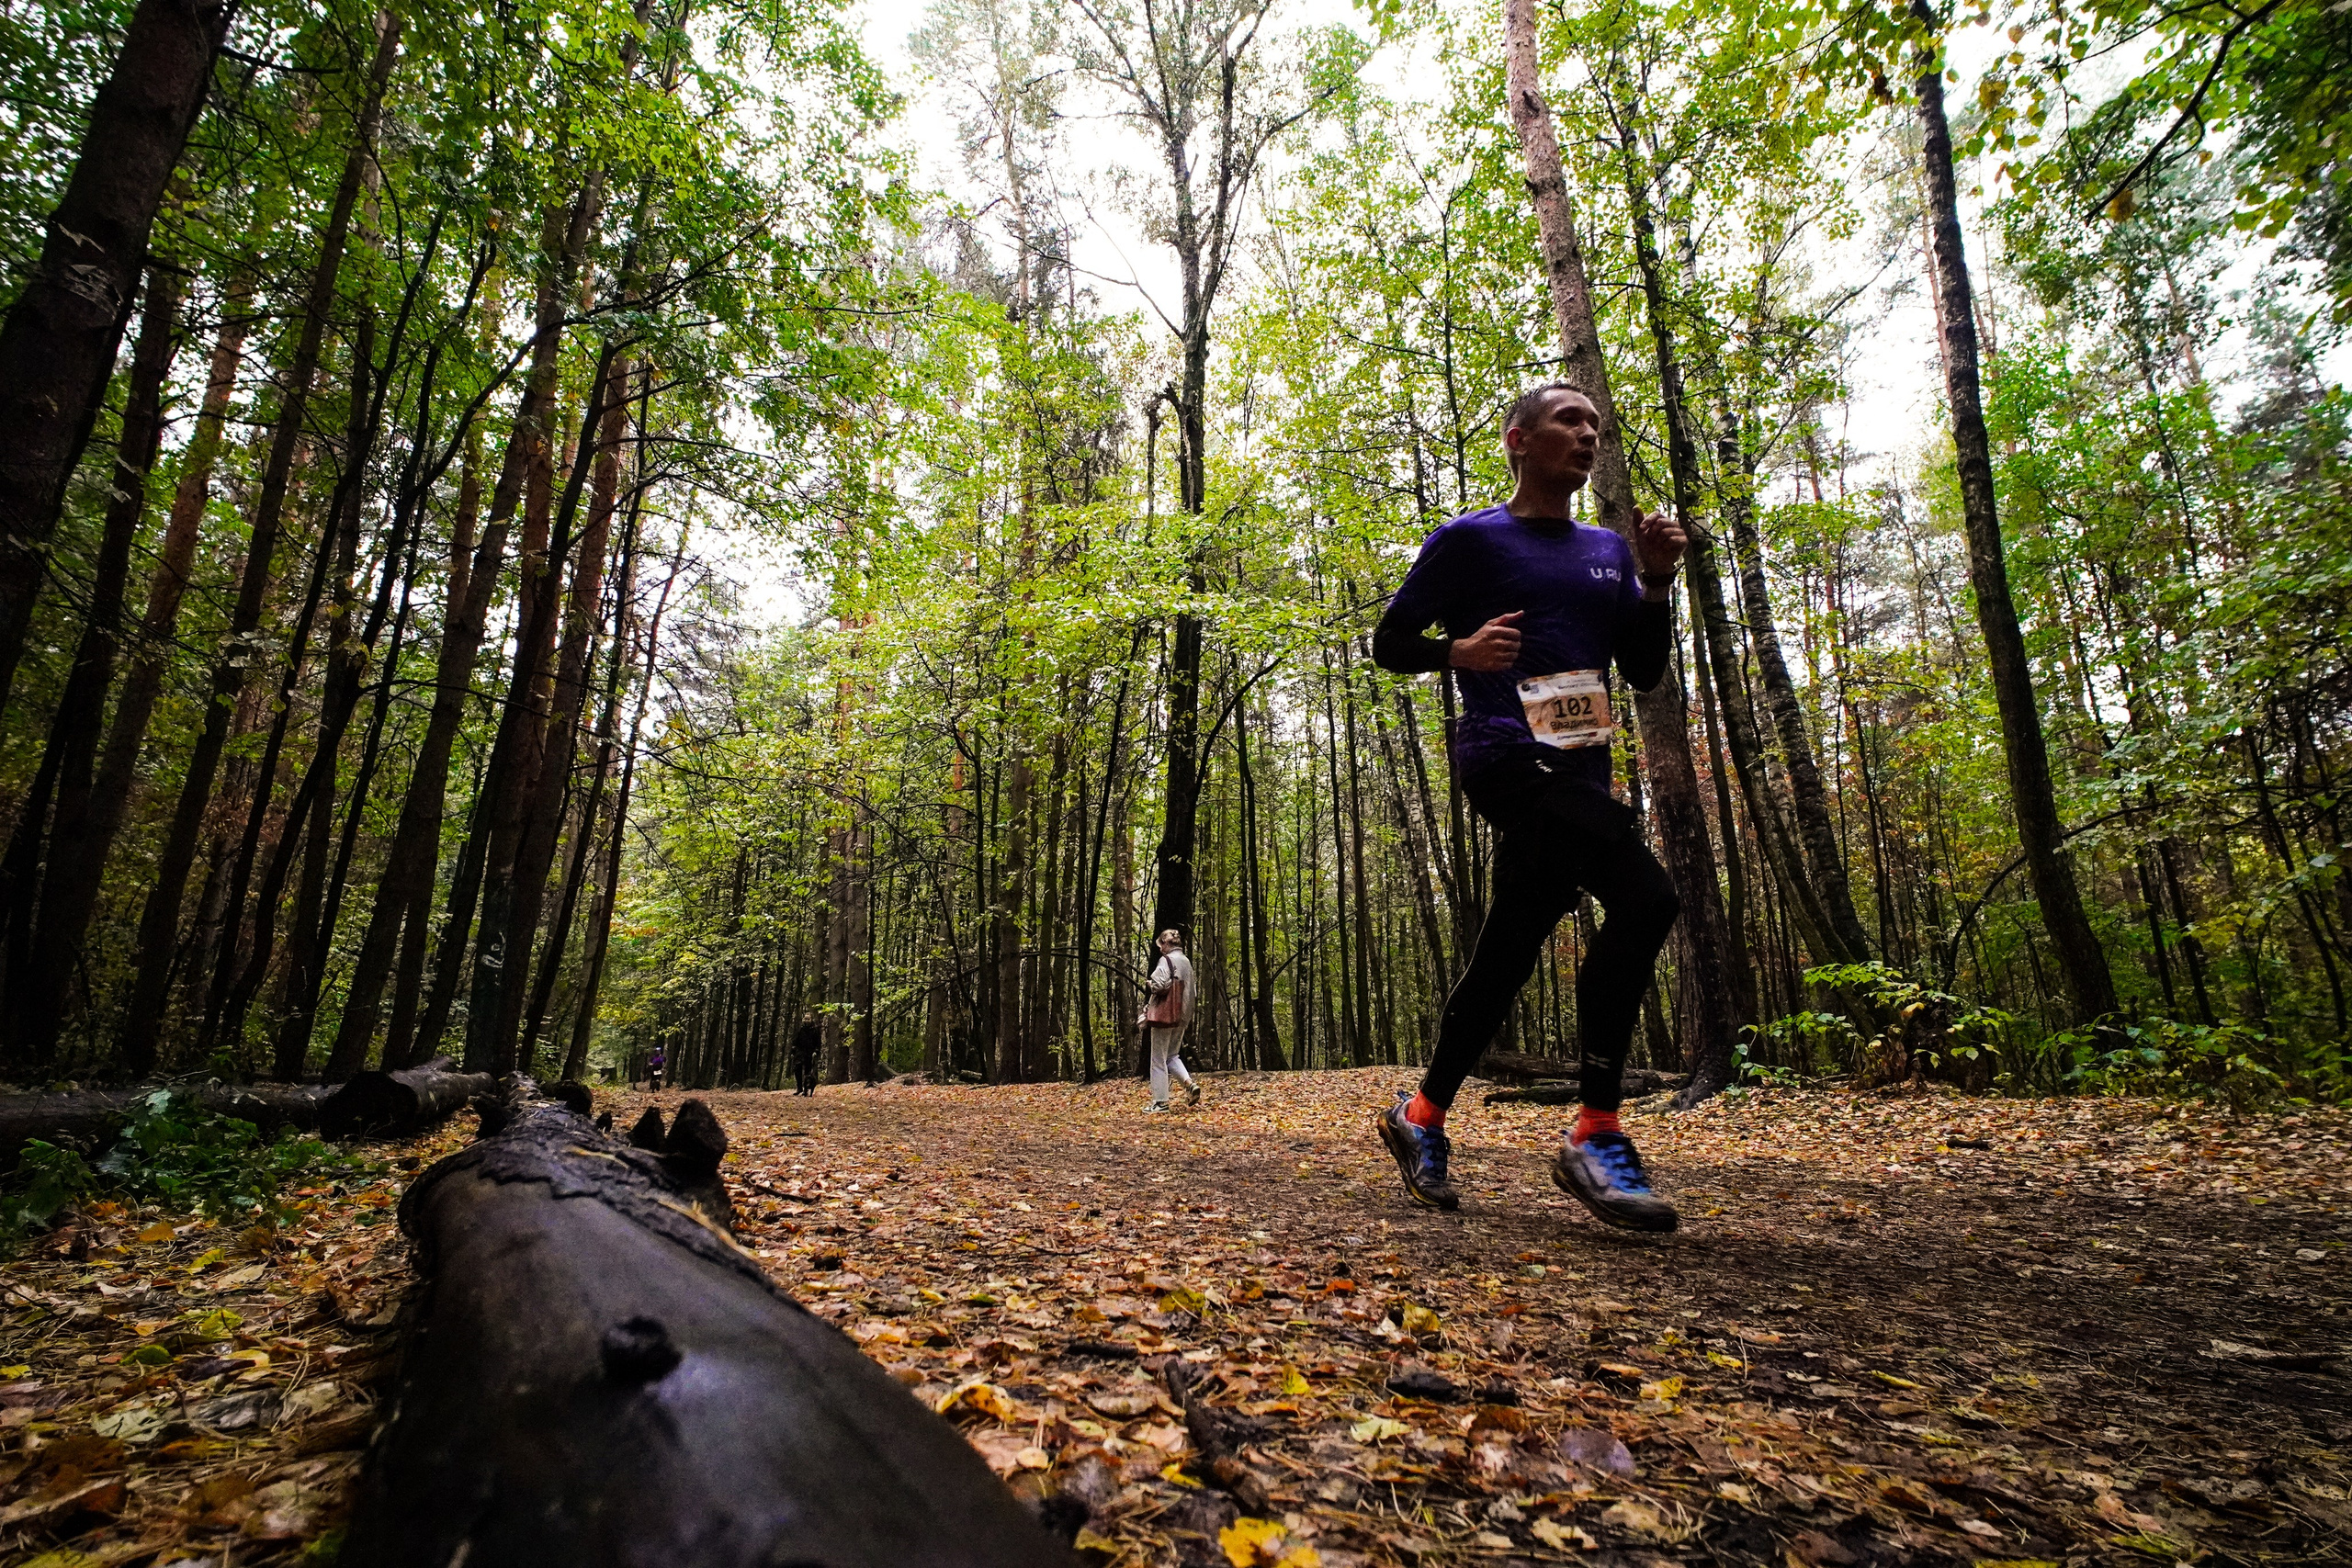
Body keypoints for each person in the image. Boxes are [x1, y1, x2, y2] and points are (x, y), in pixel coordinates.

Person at [1368, 381, 1689, 1232]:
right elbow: (1389, 642)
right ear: (1518, 439)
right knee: (1649, 897)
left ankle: (1422, 1115)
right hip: (1506, 759)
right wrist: (1457, 651)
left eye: (1594, 424)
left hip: (1581, 773)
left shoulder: (1607, 551)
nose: (1587, 435)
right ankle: (1596, 1128)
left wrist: (1656, 584)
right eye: (1568, 422)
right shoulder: (1470, 541)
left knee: (1508, 954)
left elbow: (1645, 669)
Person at [1138, 929, 1202, 1113]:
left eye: (1161, 945)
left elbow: (1159, 985)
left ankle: (1160, 1102)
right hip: (1183, 1016)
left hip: (1165, 1016)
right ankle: (1189, 1084)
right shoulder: (1186, 962)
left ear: (1166, 944)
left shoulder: (1166, 960)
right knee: (1172, 1055)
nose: (1160, 949)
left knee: (1157, 1059)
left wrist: (1150, 983)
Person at [790, 1011, 821, 1097]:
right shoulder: (800, 1029)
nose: (806, 1020)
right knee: (797, 1069)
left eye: (808, 1019)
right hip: (800, 1052)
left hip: (810, 1053)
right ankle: (799, 1088)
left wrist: (816, 1051)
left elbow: (818, 1042)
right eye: (805, 1019)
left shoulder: (815, 1030)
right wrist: (793, 1051)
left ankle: (806, 1089)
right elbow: (795, 1041)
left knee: (808, 1072)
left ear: (811, 1019)